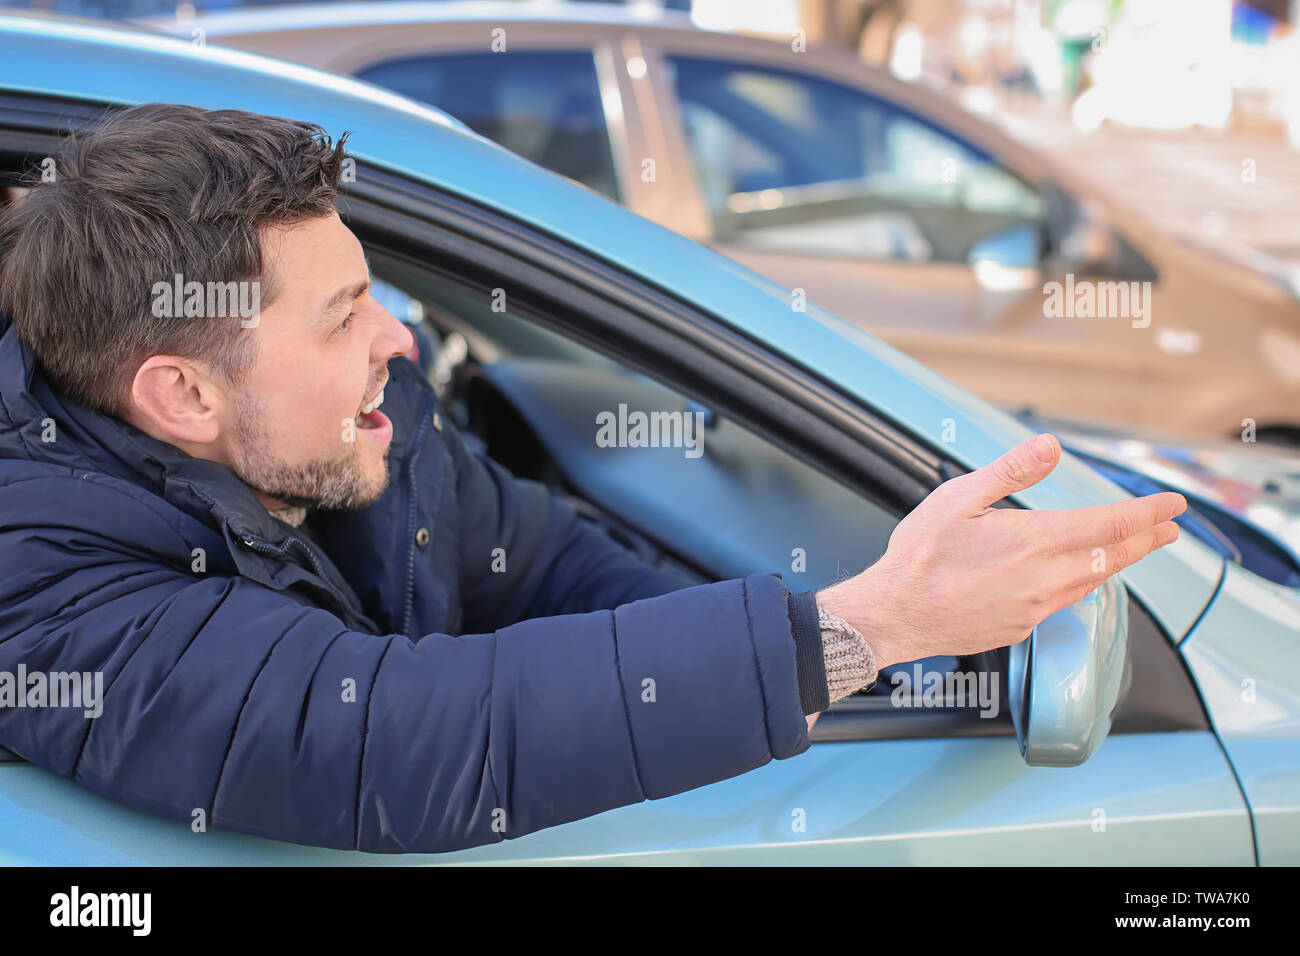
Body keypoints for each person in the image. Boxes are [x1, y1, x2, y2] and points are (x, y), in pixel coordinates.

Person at [0, 104, 1185, 853]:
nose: (398, 341)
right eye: (344, 315)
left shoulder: (360, 428)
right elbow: (388, 739)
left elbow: (550, 561)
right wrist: (861, 628)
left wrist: (887, 644)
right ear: (185, 396)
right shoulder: (43, 583)